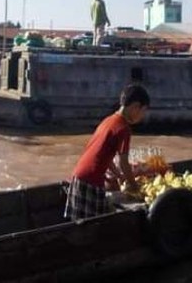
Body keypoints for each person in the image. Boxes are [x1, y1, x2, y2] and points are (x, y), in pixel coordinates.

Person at [64, 84, 150, 221]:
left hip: (79, 176)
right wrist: (134, 187)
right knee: (93, 228)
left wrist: (118, 175)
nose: (142, 116)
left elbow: (104, 155)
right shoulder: (123, 128)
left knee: (82, 225)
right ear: (135, 106)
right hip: (91, 181)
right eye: (143, 111)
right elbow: (124, 163)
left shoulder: (108, 120)